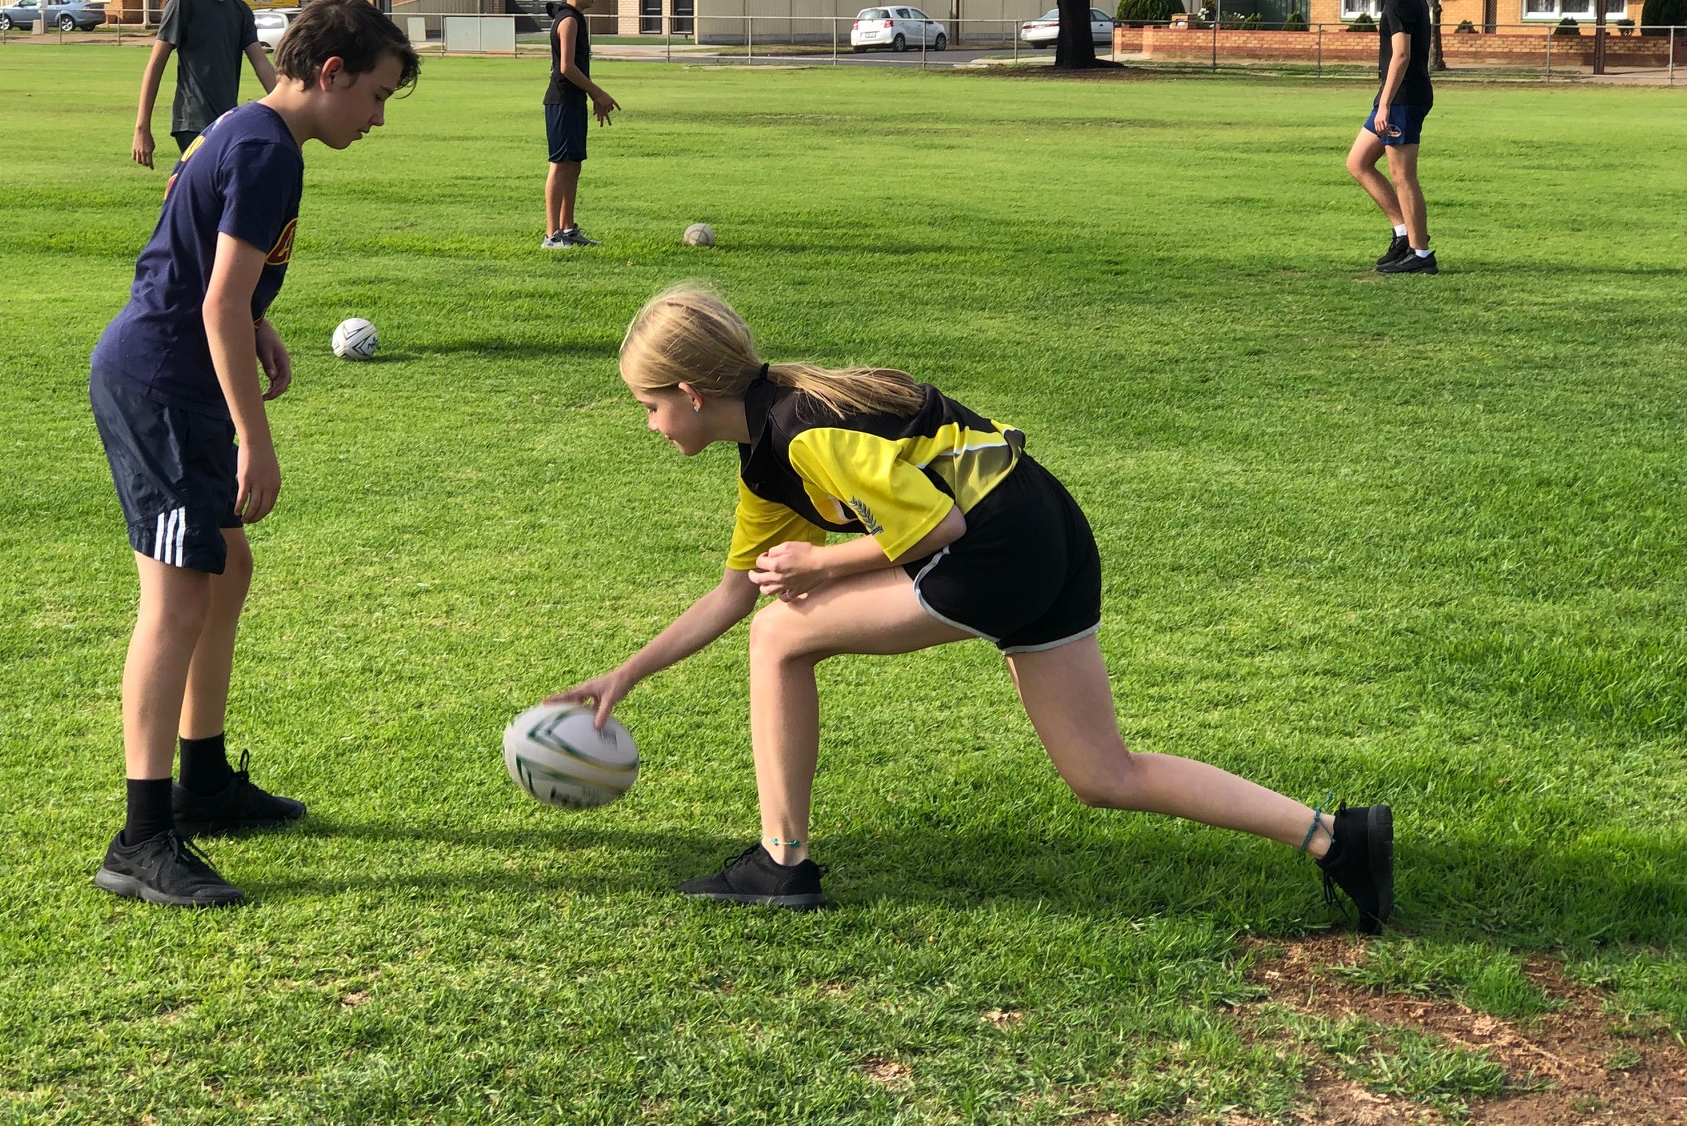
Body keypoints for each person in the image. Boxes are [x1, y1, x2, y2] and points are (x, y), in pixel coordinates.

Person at [549, 287, 1394, 929]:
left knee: (781, 634)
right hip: (1046, 529)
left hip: (996, 547)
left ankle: (783, 864)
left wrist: (825, 562)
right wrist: (627, 673)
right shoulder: (768, 457)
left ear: (692, 392)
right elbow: (735, 588)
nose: (650, 425)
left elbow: (937, 525)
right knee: (1102, 774)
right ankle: (1338, 837)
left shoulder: (805, 431)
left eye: (649, 407)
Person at [89, 0, 419, 907]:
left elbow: (190, 238)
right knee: (176, 599)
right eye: (380, 95)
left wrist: (261, 324)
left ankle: (202, 781)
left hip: (171, 377)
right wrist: (254, 439)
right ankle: (143, 837)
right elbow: (215, 303)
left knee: (226, 568)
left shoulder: (243, 127)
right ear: (331, 74)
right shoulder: (269, 150)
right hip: (160, 388)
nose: (379, 118)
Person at [131, 0, 279, 173]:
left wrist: (289, 110)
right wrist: (142, 128)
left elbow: (262, 65)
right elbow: (155, 66)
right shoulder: (185, 1)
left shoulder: (240, 10)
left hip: (227, 123)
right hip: (193, 124)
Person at [1344, 0, 1437, 275]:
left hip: (1402, 99)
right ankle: (1403, 234)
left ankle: (1422, 254)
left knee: (1403, 176)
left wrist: (1385, 104)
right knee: (1358, 163)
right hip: (1393, 97)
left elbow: (1401, 55)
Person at [541, 0, 618, 249]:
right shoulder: (569, 21)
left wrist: (591, 96)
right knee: (560, 165)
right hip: (560, 101)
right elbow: (566, 67)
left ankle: (568, 229)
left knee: (574, 165)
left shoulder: (576, 19)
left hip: (573, 101)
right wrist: (598, 92)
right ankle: (551, 236)